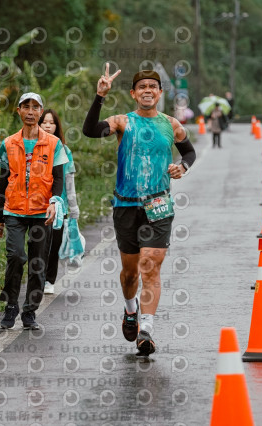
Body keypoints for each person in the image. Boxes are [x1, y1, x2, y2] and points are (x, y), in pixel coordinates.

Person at [82, 65, 196, 356]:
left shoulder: (172, 125)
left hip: (159, 205)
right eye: (141, 87)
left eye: (152, 86)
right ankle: (130, 309)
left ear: (159, 93)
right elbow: (91, 131)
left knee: (150, 265)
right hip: (126, 206)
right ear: (134, 94)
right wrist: (99, 96)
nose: (147, 90)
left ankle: (146, 329)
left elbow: (189, 152)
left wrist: (182, 166)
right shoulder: (123, 122)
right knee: (130, 273)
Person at [0, 92, 69, 330]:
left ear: (40, 111)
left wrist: (55, 202)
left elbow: (59, 178)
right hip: (14, 211)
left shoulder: (54, 144)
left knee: (38, 263)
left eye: (35, 107)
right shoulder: (8, 143)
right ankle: (10, 306)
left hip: (41, 212)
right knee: (15, 256)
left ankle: (29, 312)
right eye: (25, 106)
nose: (30, 111)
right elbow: (2, 181)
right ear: (18, 111)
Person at [38, 109, 80, 294]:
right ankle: (36, 278)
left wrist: (74, 208)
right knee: (38, 245)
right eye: (44, 122)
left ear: (57, 127)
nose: (47, 125)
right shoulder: (32, 147)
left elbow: (69, 181)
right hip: (36, 205)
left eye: (51, 122)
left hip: (58, 205)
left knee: (54, 244)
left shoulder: (64, 150)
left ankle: (49, 280)